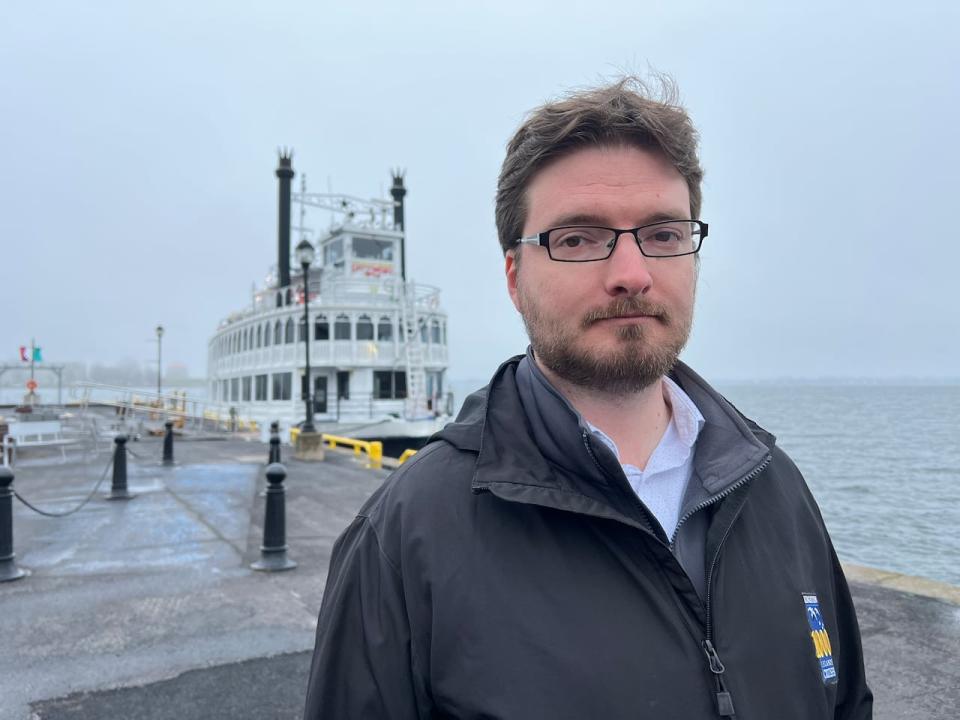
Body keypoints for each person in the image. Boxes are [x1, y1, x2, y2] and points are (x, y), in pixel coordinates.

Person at [304, 77, 873, 719]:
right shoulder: (406, 539)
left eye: (662, 234)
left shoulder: (774, 488)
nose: (631, 274)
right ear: (515, 277)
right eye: (577, 239)